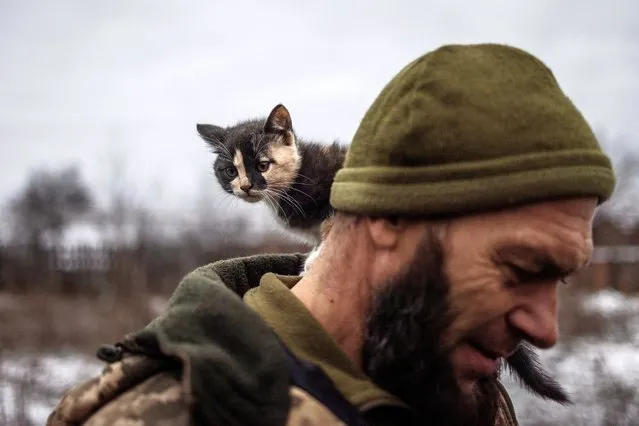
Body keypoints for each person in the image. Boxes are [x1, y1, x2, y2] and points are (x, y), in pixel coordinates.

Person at [46, 43, 616, 426]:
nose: (546, 328)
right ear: (389, 217)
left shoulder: (465, 391)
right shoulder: (166, 412)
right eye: (519, 269)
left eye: (559, 280)